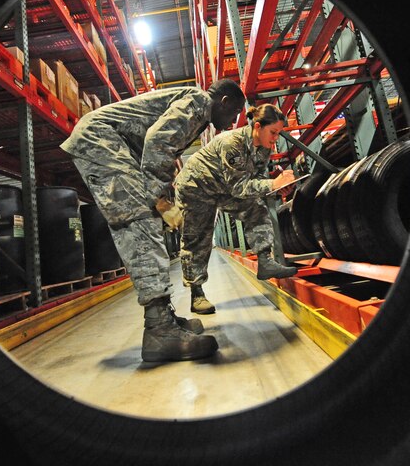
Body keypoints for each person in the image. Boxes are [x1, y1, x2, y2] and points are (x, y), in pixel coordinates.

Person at [60, 79, 246, 362]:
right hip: (101, 141)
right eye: (235, 113)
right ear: (224, 102)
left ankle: (164, 319)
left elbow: (160, 149)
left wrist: (161, 197)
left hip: (109, 143)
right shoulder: (198, 102)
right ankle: (159, 330)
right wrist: (159, 199)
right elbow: (159, 143)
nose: (232, 122)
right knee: (141, 222)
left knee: (146, 218)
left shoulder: (196, 110)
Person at [174, 103, 299, 315]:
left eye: (279, 134)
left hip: (223, 187)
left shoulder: (264, 148)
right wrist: (273, 184)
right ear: (257, 126)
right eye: (273, 132)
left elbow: (256, 181)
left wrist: (278, 189)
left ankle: (265, 261)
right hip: (195, 188)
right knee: (198, 239)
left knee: (256, 209)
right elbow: (239, 187)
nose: (276, 138)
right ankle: (197, 295)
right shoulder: (232, 143)